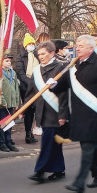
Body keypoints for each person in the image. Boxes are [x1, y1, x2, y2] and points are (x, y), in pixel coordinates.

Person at [50, 34, 97, 193]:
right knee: (89, 145)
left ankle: (79, 182)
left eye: (81, 45)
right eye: (77, 45)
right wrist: (52, 84)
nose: (77, 47)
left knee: (88, 146)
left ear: (91, 48)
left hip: (95, 113)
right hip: (79, 114)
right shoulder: (75, 66)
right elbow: (63, 85)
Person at [27, 41, 69, 183]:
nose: (41, 57)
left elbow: (64, 94)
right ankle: (59, 169)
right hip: (42, 111)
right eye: (39, 54)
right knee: (54, 142)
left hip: (55, 112)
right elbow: (31, 91)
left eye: (44, 54)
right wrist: (24, 109)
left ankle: (40, 171)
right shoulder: (37, 70)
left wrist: (63, 115)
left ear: (52, 53)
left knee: (47, 141)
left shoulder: (60, 68)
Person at [13, 35, 39, 145]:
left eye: (33, 44)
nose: (31, 46)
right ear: (25, 45)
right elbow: (20, 73)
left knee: (35, 110)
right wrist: (31, 83)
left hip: (38, 86)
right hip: (26, 87)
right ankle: (28, 133)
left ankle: (32, 131)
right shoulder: (20, 57)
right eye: (29, 44)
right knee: (28, 111)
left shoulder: (37, 55)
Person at [0, 53, 21, 152]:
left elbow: (16, 88)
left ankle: (8, 141)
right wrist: (2, 100)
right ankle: (1, 143)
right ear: (1, 62)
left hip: (11, 103)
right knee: (3, 123)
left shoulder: (13, 73)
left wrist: (16, 102)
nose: (9, 62)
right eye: (6, 60)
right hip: (3, 103)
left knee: (10, 123)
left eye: (10, 61)